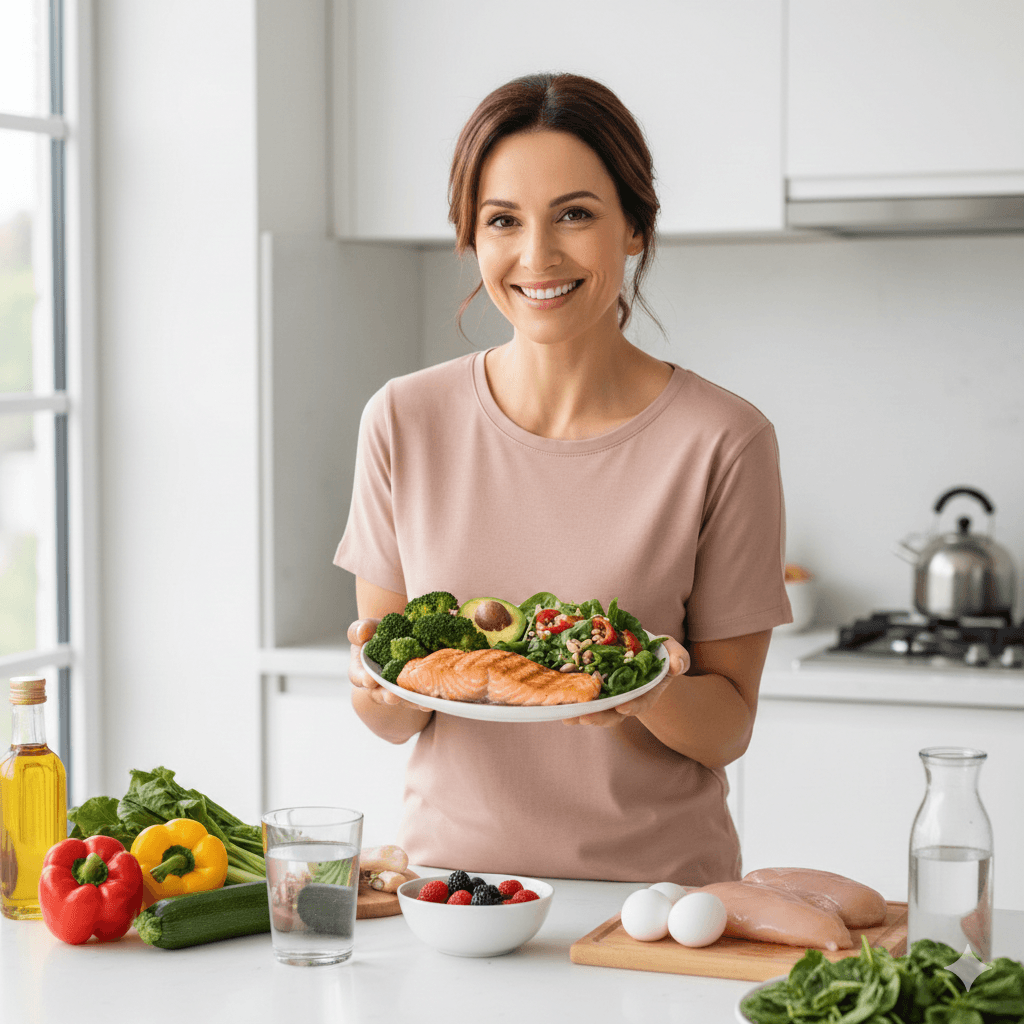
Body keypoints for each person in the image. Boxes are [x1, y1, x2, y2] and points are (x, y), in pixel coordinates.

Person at [335, 72, 792, 885]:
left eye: (575, 214)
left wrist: (644, 687)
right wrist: (379, 685)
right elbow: (391, 716)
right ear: (472, 238)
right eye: (502, 220)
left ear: (635, 229)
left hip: (655, 906)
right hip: (453, 894)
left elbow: (728, 730)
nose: (538, 256)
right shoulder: (403, 420)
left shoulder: (725, 440)